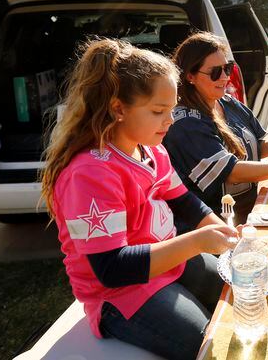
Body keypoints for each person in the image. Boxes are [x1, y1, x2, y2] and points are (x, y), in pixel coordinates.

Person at [40, 39, 237, 360]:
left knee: (238, 287)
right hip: (120, 293)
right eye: (159, 111)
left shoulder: (152, 149)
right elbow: (112, 268)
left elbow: (183, 200)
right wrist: (197, 242)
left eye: (171, 110)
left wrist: (221, 230)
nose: (170, 121)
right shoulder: (89, 174)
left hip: (165, 260)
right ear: (119, 108)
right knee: (210, 344)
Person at [164, 32, 268, 224]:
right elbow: (231, 172)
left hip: (249, 214)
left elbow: (254, 146)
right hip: (215, 226)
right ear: (190, 76)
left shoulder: (227, 102)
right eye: (215, 72)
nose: (225, 77)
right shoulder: (185, 123)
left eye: (227, 68)